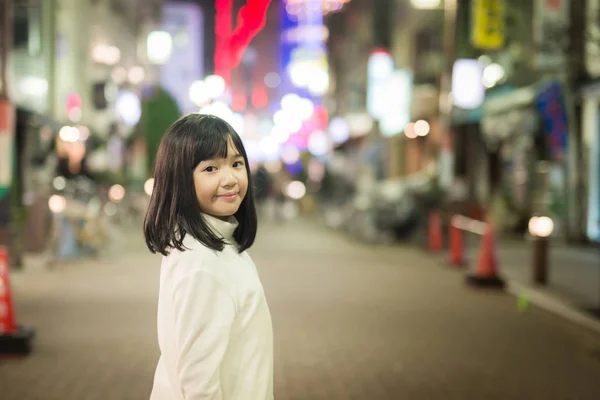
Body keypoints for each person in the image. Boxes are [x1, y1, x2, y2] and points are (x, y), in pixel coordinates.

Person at [143, 113, 274, 399]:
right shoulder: (202, 263)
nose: (230, 179)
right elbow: (199, 383)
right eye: (211, 168)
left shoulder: (217, 245)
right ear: (179, 179)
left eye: (236, 164)